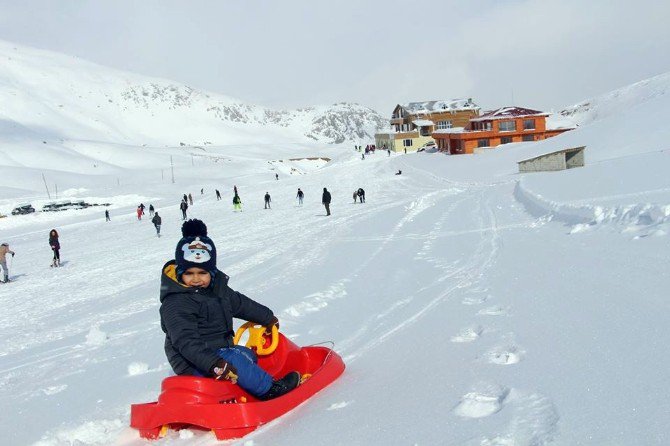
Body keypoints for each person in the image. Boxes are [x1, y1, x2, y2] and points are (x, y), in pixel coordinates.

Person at [159, 219, 301, 401]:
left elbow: (240, 304)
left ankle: (238, 385)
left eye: (202, 273)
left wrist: (266, 317)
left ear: (211, 272)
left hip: (218, 349)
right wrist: (213, 364)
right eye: (189, 273)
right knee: (235, 360)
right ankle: (269, 390)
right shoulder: (177, 302)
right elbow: (186, 342)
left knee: (246, 354)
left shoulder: (217, 290)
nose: (196, 279)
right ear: (180, 274)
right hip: (192, 362)